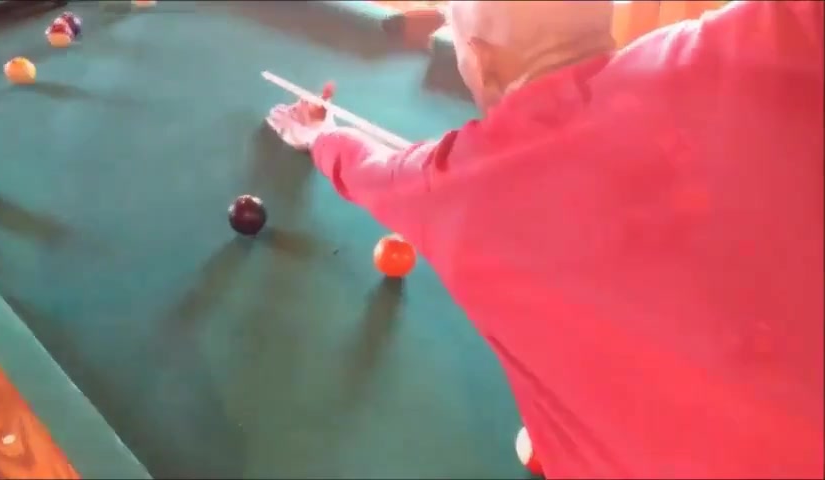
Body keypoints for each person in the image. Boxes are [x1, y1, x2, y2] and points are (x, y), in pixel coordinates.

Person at [266, 1, 824, 478]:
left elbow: (368, 170)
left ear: (480, 59)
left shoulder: (455, 183)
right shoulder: (731, 43)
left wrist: (319, 135)